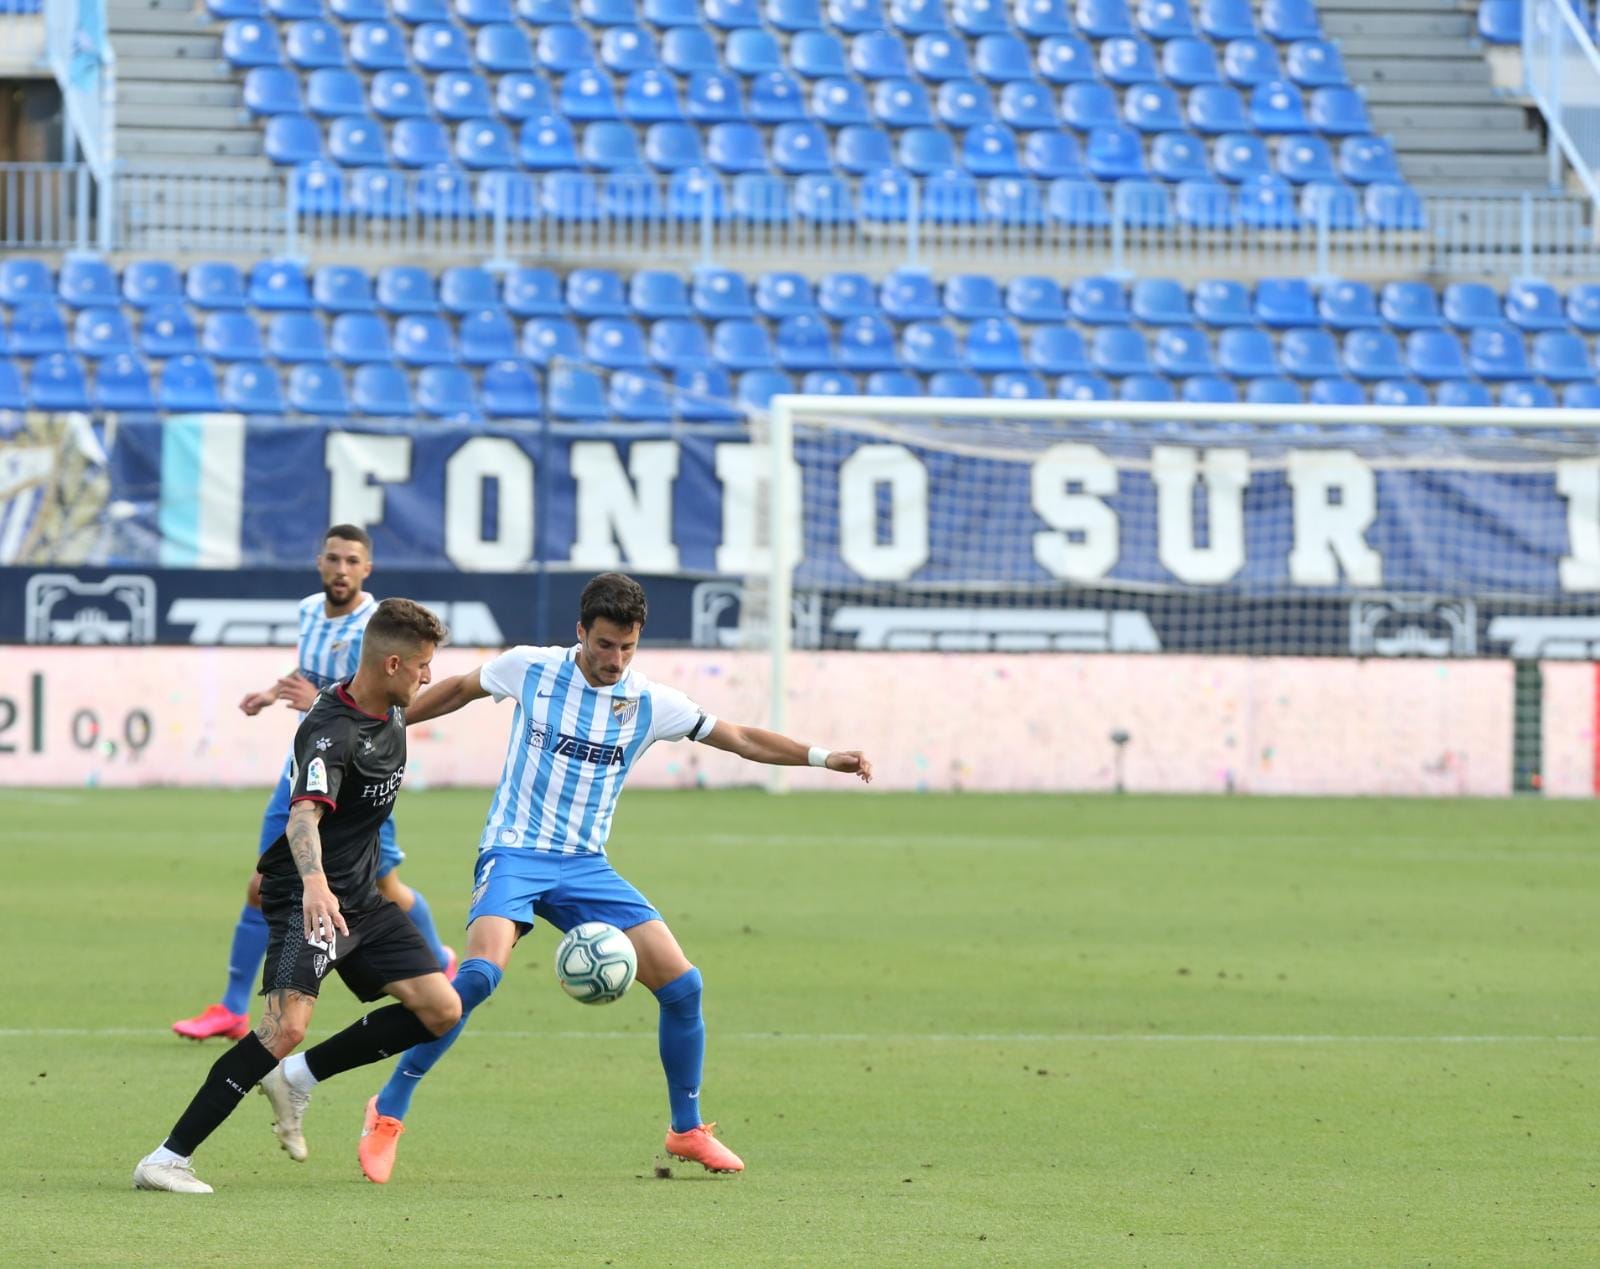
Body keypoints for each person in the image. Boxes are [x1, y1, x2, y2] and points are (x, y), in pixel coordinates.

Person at [343, 571, 872, 1185]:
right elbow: (459, 688)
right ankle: (389, 1109)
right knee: (480, 977)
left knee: (683, 986)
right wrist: (387, 725)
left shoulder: (650, 702)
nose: (614, 660)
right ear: (580, 633)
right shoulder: (531, 668)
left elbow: (742, 737)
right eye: (603, 645)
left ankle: (687, 1129)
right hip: (513, 852)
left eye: (626, 647)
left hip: (586, 866)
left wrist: (821, 756)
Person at [133, 599, 463, 1194]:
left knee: (441, 1009)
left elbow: (456, 691)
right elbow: (303, 815)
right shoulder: (330, 730)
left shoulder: (389, 709)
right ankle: (165, 1159)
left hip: (360, 899)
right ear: (392, 663)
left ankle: (300, 1077)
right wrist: (313, 883)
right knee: (283, 1027)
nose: (428, 677)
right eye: (421, 666)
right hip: (306, 898)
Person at [172, 526, 454, 1043]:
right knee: (261, 886)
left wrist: (315, 700)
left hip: (353, 784)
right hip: (301, 776)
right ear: (319, 562)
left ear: (366, 569)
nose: (341, 569)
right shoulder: (308, 611)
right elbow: (308, 672)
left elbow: (367, 699)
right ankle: (233, 1007)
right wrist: (269, 693)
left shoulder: (380, 626)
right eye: (333, 559)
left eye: (352, 560)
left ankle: (439, 962)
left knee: (385, 888)